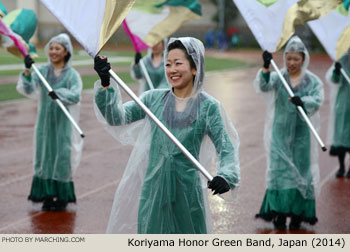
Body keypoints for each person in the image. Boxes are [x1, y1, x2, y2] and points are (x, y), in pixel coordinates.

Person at [93, 37, 240, 234]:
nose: (172, 70)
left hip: (188, 195)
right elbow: (117, 117)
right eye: (168, 64)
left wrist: (225, 175)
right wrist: (105, 83)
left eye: (178, 63)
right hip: (153, 192)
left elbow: (226, 147)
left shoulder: (209, 107)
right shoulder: (153, 99)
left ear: (195, 67)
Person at [254, 36, 324, 230]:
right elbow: (263, 86)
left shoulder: (312, 81)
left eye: (296, 59)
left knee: (301, 173)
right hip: (279, 133)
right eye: (288, 58)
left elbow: (317, 99)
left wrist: (305, 101)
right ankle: (278, 212)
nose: (292, 63)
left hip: (302, 136)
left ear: (304, 59)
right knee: (279, 172)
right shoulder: (279, 77)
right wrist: (266, 67)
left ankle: (297, 213)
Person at [16, 33, 83, 211]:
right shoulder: (42, 71)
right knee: (44, 156)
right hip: (44, 125)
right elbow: (28, 88)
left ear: (66, 51)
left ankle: (62, 197)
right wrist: (27, 71)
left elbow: (76, 95)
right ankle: (46, 194)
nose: (53, 52)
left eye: (57, 48)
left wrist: (59, 93)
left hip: (63, 125)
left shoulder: (72, 75)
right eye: (51, 48)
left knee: (62, 157)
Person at [326, 51, 350, 178]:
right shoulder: (342, 60)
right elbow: (334, 80)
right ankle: (341, 166)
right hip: (342, 104)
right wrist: (336, 70)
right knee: (340, 136)